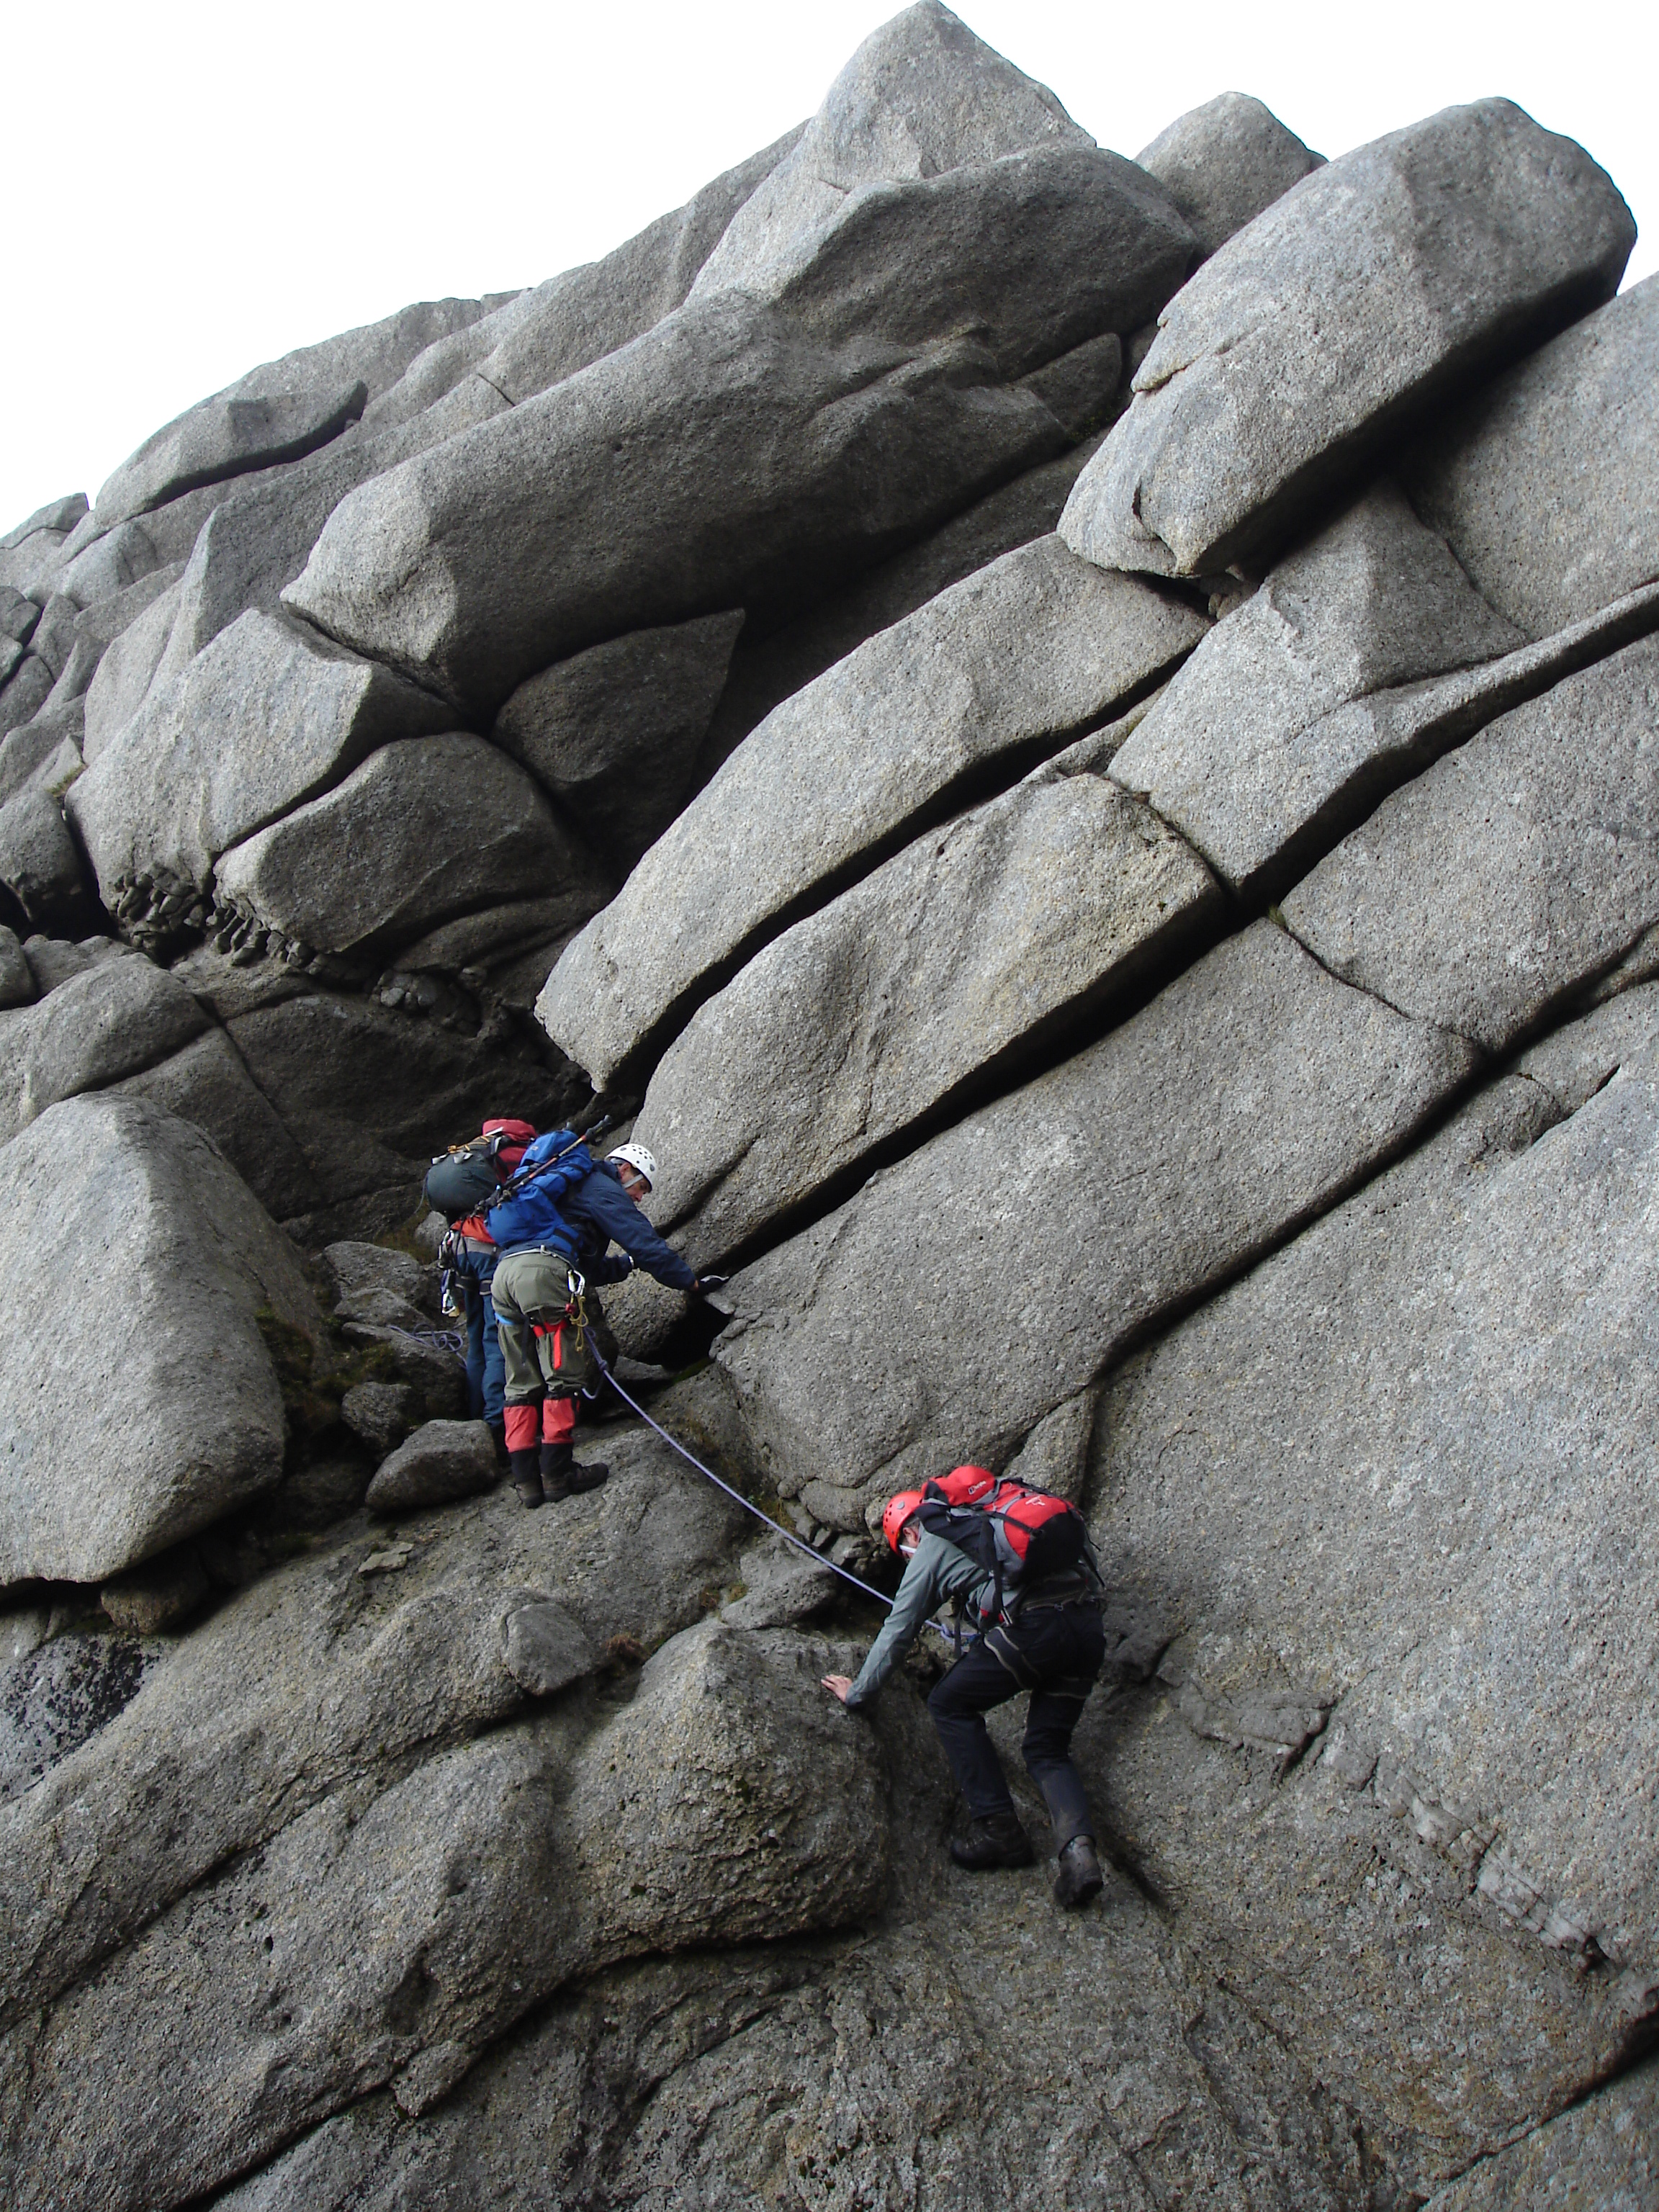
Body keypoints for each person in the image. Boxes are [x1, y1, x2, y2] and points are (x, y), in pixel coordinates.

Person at [822, 1478, 1107, 1910]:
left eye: (904, 1552)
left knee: (949, 1703)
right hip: (1087, 1627)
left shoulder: (933, 1541)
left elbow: (899, 1629)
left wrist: (859, 1693)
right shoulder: (992, 1520)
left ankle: (999, 1831)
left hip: (1035, 1629)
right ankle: (1078, 1852)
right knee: (1047, 1747)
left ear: (909, 1534)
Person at [490, 1138, 722, 1508]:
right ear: (625, 1170)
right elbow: (644, 1243)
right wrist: (690, 1282)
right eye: (642, 1186)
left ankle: (526, 1484)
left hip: (504, 1276)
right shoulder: (602, 1187)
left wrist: (625, 1267)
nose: (640, 1197)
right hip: (544, 1274)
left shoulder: (560, 1188)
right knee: (562, 1374)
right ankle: (558, 1474)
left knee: (519, 1379)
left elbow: (589, 1266)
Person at [441, 1117, 536, 1456]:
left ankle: (475, 1418)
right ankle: (496, 1425)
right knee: (498, 1339)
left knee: (476, 1337)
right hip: (488, 1248)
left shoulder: (473, 1153)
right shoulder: (514, 1155)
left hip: (458, 1246)